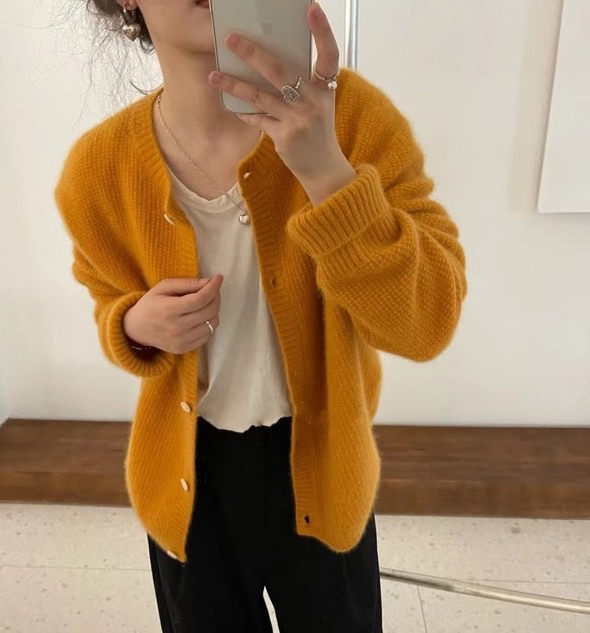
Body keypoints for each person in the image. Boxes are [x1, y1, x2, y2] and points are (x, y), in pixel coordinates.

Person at [55, 1, 467, 631]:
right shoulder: (98, 169)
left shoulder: (349, 120)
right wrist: (134, 327)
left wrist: (328, 175)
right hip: (188, 477)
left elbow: (427, 323)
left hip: (324, 464)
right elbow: (108, 298)